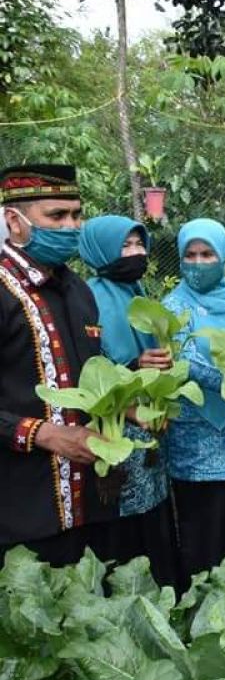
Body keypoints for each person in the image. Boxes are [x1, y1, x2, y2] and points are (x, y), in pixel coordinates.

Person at [0, 164, 119, 564]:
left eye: (76, 214)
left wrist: (127, 405)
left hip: (94, 503)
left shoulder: (79, 290)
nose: (70, 226)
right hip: (22, 514)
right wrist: (44, 434)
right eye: (56, 216)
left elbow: (93, 375)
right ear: (14, 221)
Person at [78, 215, 178, 586]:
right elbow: (90, 368)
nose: (136, 253)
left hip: (149, 427)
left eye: (140, 245)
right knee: (125, 525)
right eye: (126, 246)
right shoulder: (89, 298)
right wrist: (136, 366)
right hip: (116, 430)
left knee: (155, 514)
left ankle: (165, 593)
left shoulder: (137, 292)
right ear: (101, 249)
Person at [164, 218, 225, 580]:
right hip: (195, 429)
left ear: (222, 257)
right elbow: (181, 360)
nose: (198, 262)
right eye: (190, 254)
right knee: (201, 522)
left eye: (207, 254)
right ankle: (203, 605)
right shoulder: (174, 306)